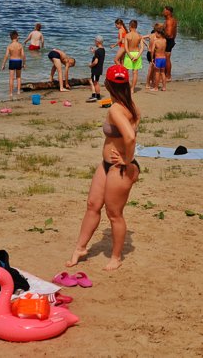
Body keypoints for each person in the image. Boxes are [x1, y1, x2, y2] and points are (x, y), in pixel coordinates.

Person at [66, 64, 140, 271]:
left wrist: (127, 160)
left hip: (120, 168)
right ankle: (80, 248)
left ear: (107, 84)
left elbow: (130, 137)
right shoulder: (129, 104)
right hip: (107, 165)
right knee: (93, 204)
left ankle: (115, 257)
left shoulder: (117, 109)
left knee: (114, 213)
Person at [121, 20, 145, 92]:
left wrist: (131, 56)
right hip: (137, 53)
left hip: (129, 54)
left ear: (130, 26)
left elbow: (126, 48)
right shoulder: (139, 36)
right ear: (136, 26)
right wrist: (137, 56)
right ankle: (132, 89)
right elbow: (142, 48)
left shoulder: (127, 35)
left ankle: (126, 86)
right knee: (135, 73)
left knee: (125, 71)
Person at [1, 30, 26, 97]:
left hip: (12, 61)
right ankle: (18, 91)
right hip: (18, 61)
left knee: (11, 78)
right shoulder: (20, 45)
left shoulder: (9, 46)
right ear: (16, 36)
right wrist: (24, 63)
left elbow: (6, 55)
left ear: (11, 37)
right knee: (18, 77)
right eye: (18, 36)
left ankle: (11, 93)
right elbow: (23, 55)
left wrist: (3, 64)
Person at [87, 36, 106, 102]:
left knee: (95, 82)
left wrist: (90, 65)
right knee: (94, 81)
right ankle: (95, 95)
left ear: (97, 42)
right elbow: (99, 55)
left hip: (96, 69)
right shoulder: (103, 50)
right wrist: (94, 52)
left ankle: (97, 96)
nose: (94, 42)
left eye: (95, 41)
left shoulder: (98, 51)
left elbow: (96, 61)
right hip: (99, 68)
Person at [163, 6, 178, 80]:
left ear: (168, 12)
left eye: (164, 10)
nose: (163, 12)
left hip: (168, 40)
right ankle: (166, 75)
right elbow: (175, 32)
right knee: (167, 58)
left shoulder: (169, 21)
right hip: (171, 40)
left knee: (167, 58)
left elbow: (168, 34)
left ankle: (168, 76)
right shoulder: (173, 20)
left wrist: (161, 32)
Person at [151, 27, 168, 92]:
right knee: (163, 73)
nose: (155, 34)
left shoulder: (156, 41)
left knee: (157, 73)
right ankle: (164, 87)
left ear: (159, 34)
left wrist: (152, 58)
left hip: (158, 58)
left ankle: (156, 88)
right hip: (163, 58)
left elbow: (152, 51)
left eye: (156, 33)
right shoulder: (165, 40)